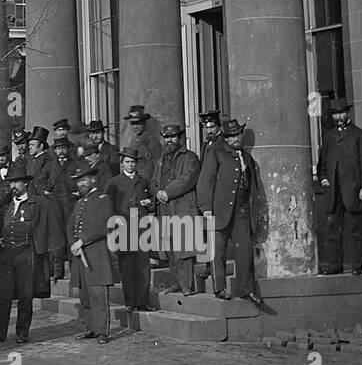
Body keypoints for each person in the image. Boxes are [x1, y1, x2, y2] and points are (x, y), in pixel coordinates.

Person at [196, 118, 262, 305]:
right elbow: (205, 182)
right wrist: (206, 208)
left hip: (241, 210)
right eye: (231, 136)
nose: (235, 139)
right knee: (218, 251)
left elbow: (252, 185)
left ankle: (246, 288)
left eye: (237, 134)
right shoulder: (216, 153)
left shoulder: (247, 158)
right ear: (225, 138)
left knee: (245, 248)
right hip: (219, 209)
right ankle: (219, 288)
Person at [0, 161, 49, 346]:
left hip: (26, 253)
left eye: (17, 182)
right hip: (6, 254)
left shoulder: (34, 204)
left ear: (26, 183)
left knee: (25, 295)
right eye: (11, 182)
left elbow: (43, 228)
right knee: (2, 295)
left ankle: (22, 332)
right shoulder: (5, 205)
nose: (13, 186)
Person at [316, 98, 362, 276]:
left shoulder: (359, 136)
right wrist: (324, 180)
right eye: (335, 114)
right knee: (333, 229)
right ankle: (335, 265)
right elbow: (322, 165)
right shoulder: (329, 138)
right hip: (334, 192)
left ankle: (357, 266)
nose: (338, 117)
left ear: (347, 113)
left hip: (354, 191)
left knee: (356, 229)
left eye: (341, 113)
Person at [149, 124, 202, 295]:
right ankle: (177, 283)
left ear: (179, 138)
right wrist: (157, 193)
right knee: (169, 248)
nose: (169, 140)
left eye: (172, 137)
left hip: (182, 207)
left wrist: (167, 192)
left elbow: (188, 179)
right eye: (166, 137)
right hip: (164, 208)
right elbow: (154, 181)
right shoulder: (161, 159)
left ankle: (187, 286)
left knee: (183, 248)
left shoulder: (190, 157)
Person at [68, 166, 118, 342]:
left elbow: (103, 224)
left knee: (98, 296)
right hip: (79, 256)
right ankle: (91, 328)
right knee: (85, 297)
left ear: (93, 180)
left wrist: (82, 240)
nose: (80, 184)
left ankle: (102, 331)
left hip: (96, 256)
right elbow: (70, 226)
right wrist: (73, 243)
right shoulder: (79, 203)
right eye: (78, 181)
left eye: (83, 180)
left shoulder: (103, 199)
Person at [108, 146, 154, 320]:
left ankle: (143, 301)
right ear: (122, 164)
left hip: (141, 227)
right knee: (127, 267)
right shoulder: (114, 183)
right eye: (127, 162)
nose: (130, 165)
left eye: (133, 162)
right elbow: (107, 206)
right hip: (123, 229)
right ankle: (130, 302)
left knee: (143, 265)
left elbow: (152, 202)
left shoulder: (143, 181)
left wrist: (149, 203)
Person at [45, 137, 77, 280]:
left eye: (64, 148)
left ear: (68, 149)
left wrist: (77, 193)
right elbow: (39, 181)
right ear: (55, 150)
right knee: (56, 238)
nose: (61, 151)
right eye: (58, 148)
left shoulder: (75, 164)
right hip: (55, 204)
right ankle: (58, 271)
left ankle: (74, 269)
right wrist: (45, 193)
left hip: (70, 203)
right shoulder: (50, 165)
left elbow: (81, 179)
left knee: (71, 235)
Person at [120, 106, 161, 181]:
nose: (135, 127)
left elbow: (158, 165)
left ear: (144, 123)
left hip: (146, 181)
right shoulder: (131, 140)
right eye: (133, 124)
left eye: (138, 123)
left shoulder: (151, 140)